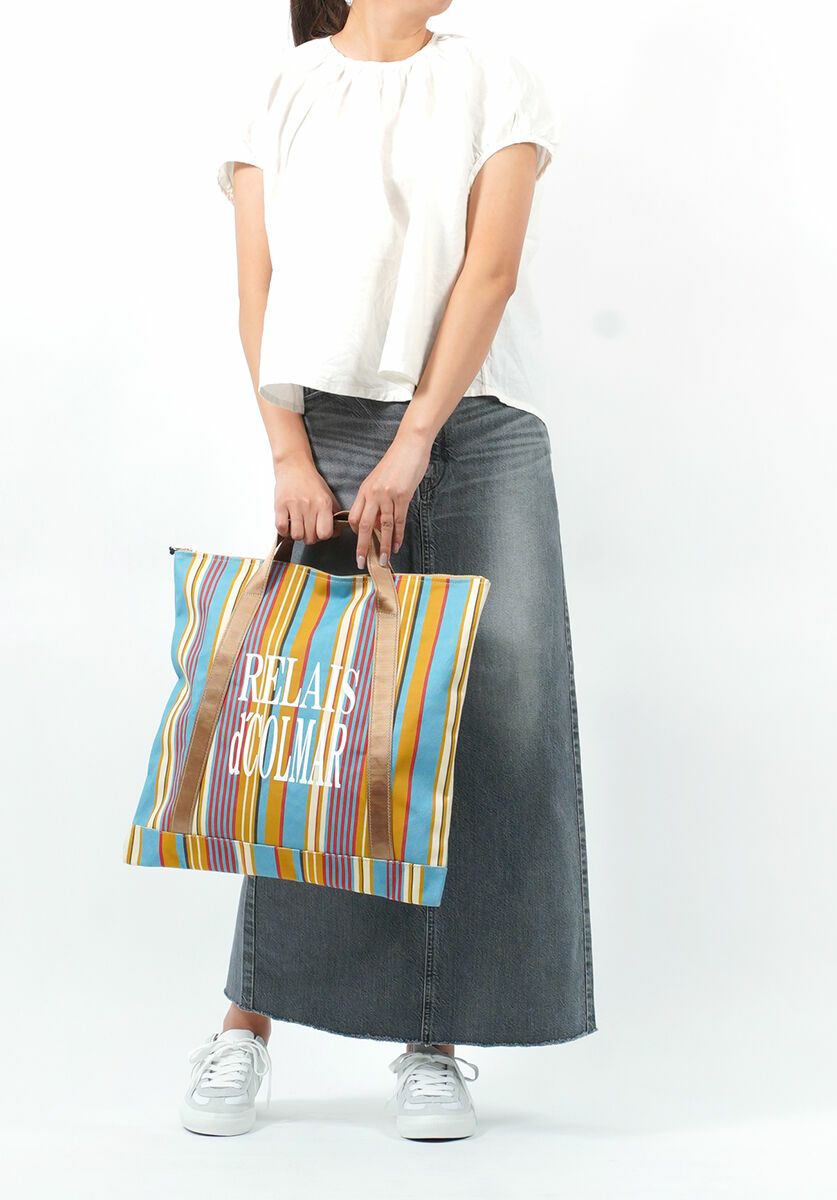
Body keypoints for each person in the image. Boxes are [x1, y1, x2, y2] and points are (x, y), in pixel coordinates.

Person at [181, 0, 595, 1141]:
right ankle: (244, 1026)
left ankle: (436, 1040)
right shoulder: (282, 90)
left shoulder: (496, 79)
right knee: (305, 724)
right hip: (324, 434)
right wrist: (287, 452)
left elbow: (489, 272)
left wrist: (414, 444)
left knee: (489, 726)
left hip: (479, 428)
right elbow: (258, 288)